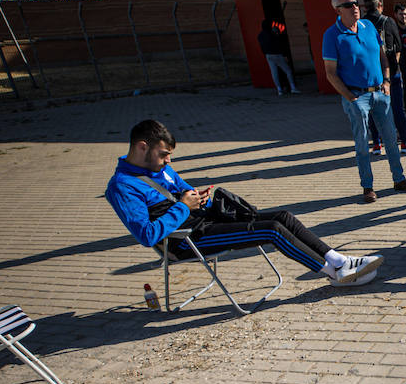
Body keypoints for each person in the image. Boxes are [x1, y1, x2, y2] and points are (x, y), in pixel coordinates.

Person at [106, 119, 382, 285]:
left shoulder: (159, 169)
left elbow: (184, 189)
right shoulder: (122, 187)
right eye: (164, 154)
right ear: (142, 147)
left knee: (283, 216)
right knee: (271, 229)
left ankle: (339, 259)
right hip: (186, 239)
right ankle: (333, 274)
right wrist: (183, 207)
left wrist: (196, 197)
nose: (169, 161)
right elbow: (145, 235)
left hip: (205, 221)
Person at [321, 0, 406, 204]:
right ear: (338, 10)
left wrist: (386, 81)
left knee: (392, 139)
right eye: (348, 5)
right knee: (363, 144)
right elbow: (330, 73)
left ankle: (399, 179)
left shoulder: (368, 27)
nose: (355, 7)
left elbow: (383, 55)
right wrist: (351, 99)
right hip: (357, 97)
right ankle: (368, 187)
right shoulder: (332, 35)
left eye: (356, 3)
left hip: (380, 93)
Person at [361, 0, 406, 152]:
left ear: (364, 7)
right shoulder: (388, 21)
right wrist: (394, 68)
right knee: (397, 110)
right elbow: (398, 47)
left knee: (372, 112)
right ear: (380, 5)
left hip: (370, 76)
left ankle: (377, 144)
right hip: (391, 74)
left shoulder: (361, 25)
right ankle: (405, 143)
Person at [257, 19, 298, 95]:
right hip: (277, 54)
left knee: (274, 73)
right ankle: (293, 87)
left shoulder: (260, 35)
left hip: (268, 55)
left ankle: (279, 90)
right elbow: (278, 43)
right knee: (288, 71)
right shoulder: (272, 33)